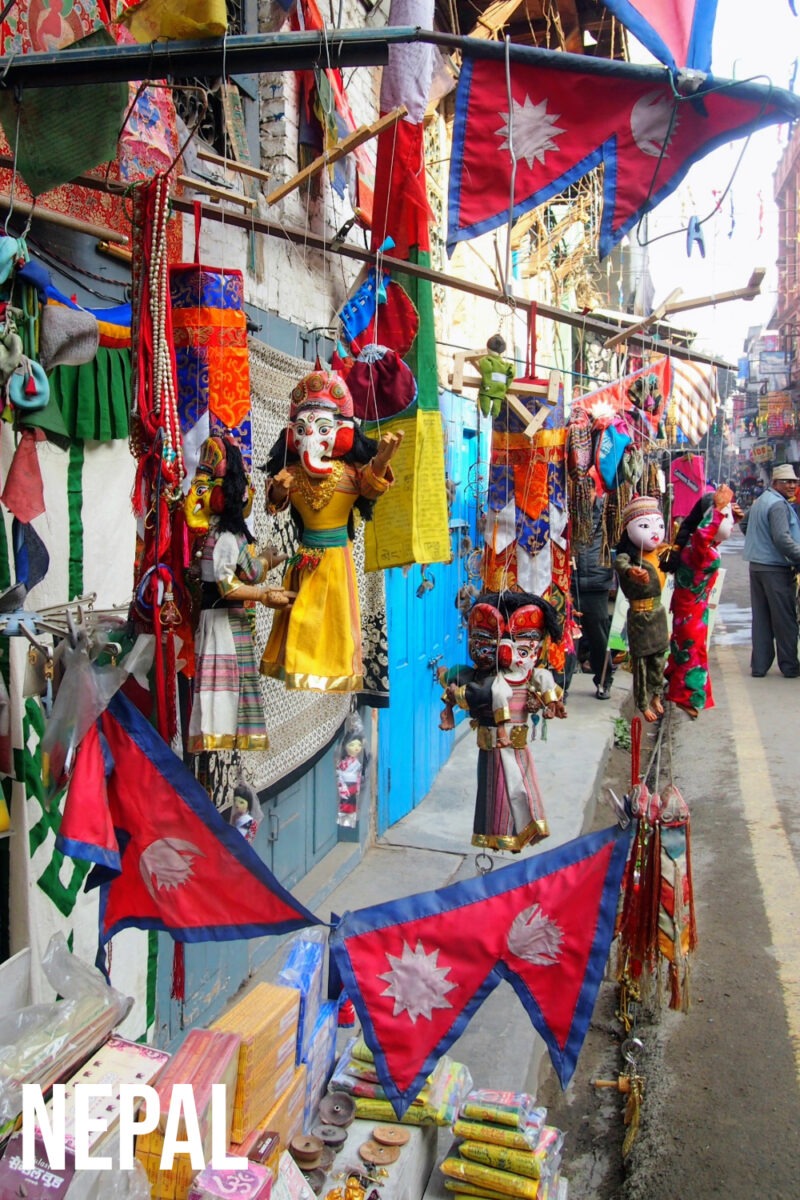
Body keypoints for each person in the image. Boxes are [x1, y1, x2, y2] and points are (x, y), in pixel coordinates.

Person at [260, 368, 402, 691]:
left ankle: (334, 671)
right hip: (304, 559)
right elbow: (273, 505)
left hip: (337, 560)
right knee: (302, 622)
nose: (311, 437)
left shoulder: (349, 473)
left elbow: (370, 487)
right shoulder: (292, 474)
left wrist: (380, 462)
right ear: (292, 434)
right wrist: (280, 491)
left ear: (341, 431)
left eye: (322, 428)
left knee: (336, 624)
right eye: (302, 429)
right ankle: (297, 666)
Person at [664, 484, 740, 718]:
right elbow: (703, 534)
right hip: (691, 611)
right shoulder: (697, 546)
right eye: (721, 517)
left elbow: (710, 538)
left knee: (688, 651)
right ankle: (684, 696)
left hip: (694, 608)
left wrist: (730, 517)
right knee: (692, 654)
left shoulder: (699, 547)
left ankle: (677, 688)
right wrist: (718, 510)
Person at [614, 494, 669, 723]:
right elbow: (620, 563)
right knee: (641, 663)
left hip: (658, 614)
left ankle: (656, 695)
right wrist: (630, 572)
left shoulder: (662, 552)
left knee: (658, 659)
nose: (654, 531)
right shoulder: (629, 557)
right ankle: (642, 701)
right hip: (639, 615)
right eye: (645, 526)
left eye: (659, 525)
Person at [742, 463, 800, 678]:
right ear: (775, 483)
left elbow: (744, 525)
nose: (792, 485)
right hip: (775, 569)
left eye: (794, 481)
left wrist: (760, 542)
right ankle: (790, 666)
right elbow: (783, 539)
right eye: (787, 481)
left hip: (757, 566)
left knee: (762, 618)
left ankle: (759, 666)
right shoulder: (777, 505)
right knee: (785, 620)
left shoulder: (762, 501)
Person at [572, 477, 615, 700]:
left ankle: (604, 681)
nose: (584, 497)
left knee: (599, 637)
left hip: (597, 583)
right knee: (570, 638)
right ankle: (561, 687)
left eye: (587, 492)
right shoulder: (570, 513)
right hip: (573, 583)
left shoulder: (608, 512)